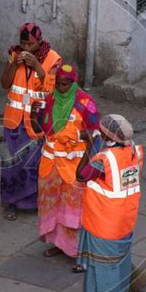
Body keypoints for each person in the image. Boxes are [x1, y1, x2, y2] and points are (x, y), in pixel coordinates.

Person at [75, 114, 144, 292]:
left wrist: (88, 144)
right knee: (120, 265)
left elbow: (81, 175)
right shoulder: (135, 151)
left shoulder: (105, 160)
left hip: (103, 224)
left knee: (101, 272)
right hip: (125, 220)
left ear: (106, 135)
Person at [30, 64, 99, 272]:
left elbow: (96, 133)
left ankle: (77, 250)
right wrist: (33, 115)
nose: (60, 88)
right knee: (52, 203)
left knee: (74, 208)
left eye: (65, 84)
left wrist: (77, 138)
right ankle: (58, 244)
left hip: (73, 166)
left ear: (73, 82)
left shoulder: (86, 104)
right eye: (58, 83)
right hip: (51, 164)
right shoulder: (49, 100)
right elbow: (40, 129)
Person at [0, 23, 61, 220]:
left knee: (34, 164)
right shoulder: (14, 55)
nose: (26, 48)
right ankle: (11, 202)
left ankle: (34, 201)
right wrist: (13, 64)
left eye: (30, 44)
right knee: (12, 163)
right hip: (14, 120)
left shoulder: (53, 59)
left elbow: (54, 89)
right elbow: (4, 83)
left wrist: (37, 66)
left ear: (39, 42)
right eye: (23, 44)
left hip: (36, 121)